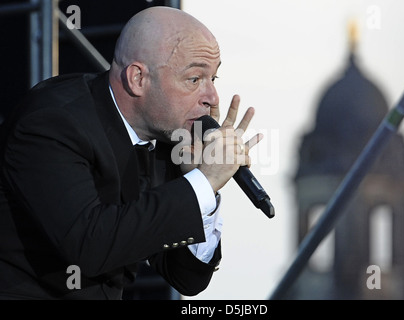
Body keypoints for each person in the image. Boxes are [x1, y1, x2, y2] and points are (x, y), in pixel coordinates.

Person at [0, 6, 262, 300]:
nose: (212, 97)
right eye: (194, 79)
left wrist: (203, 190)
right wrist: (203, 183)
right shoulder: (52, 123)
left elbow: (187, 278)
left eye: (213, 79)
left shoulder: (168, 141)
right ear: (138, 78)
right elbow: (89, 246)